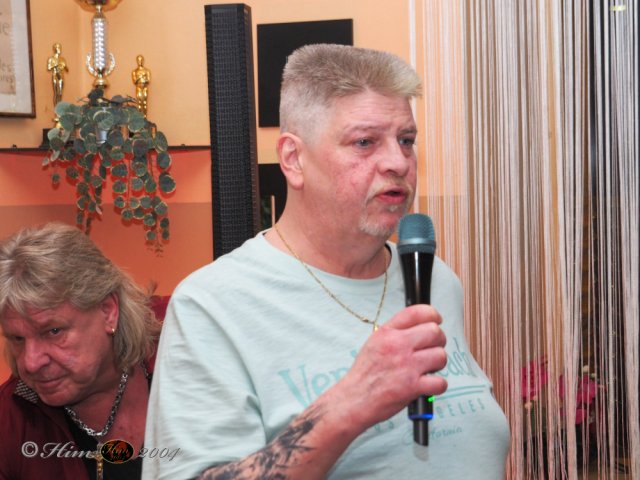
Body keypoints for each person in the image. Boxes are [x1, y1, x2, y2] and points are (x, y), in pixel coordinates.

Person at [143, 44, 510, 480]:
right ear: (294, 159)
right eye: (364, 142)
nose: (398, 162)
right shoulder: (212, 304)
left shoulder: (434, 279)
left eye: (406, 140)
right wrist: (346, 406)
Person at [0, 222, 162, 480]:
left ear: (108, 311)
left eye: (53, 331)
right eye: (17, 338)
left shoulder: (181, 362)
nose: (30, 363)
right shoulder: (10, 417)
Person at [47, 43, 68, 109]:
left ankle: (59, 108)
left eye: (60, 48)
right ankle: (56, 109)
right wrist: (55, 65)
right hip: (55, 75)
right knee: (56, 93)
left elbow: (67, 70)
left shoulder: (62, 59)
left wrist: (65, 67)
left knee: (60, 93)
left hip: (61, 76)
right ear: (55, 49)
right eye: (58, 48)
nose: (59, 49)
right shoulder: (51, 59)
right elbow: (49, 68)